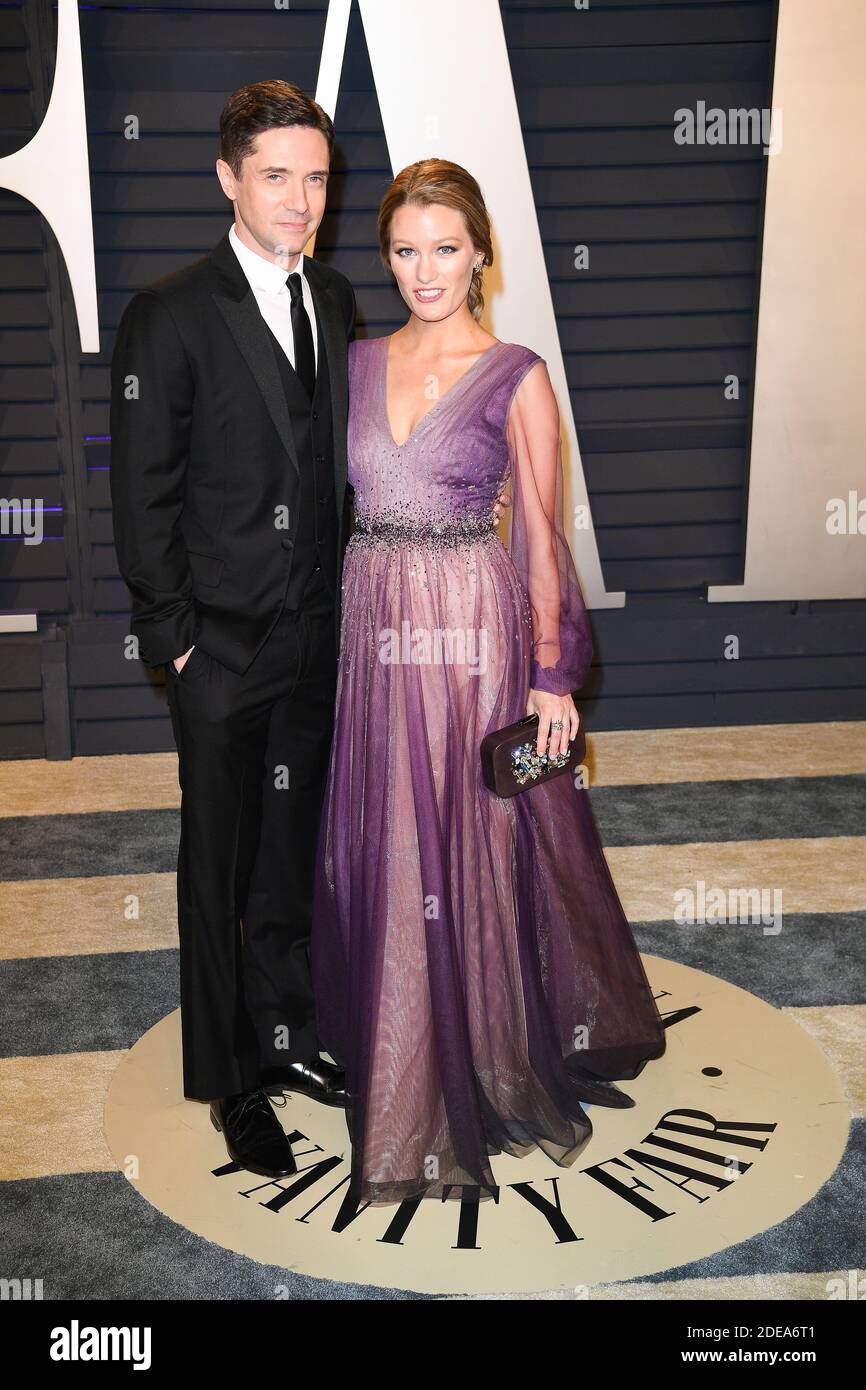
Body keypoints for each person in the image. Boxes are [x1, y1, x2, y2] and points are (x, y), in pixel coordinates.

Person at [310, 159, 667, 1206]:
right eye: (407, 248)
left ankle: (479, 1058)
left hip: (470, 635)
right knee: (387, 836)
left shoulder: (515, 372)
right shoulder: (358, 360)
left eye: (446, 247)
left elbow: (544, 541)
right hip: (373, 627)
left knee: (464, 839)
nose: (427, 268)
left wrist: (551, 675)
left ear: (480, 255)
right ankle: (396, 1043)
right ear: (387, 257)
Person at [109, 81, 355, 1179]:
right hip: (217, 648)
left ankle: (290, 1034)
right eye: (275, 177)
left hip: (313, 639)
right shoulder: (168, 312)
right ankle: (231, 1082)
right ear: (227, 179)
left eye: (314, 178)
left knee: (288, 859)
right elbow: (141, 493)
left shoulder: (338, 297)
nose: (299, 200)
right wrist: (174, 641)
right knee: (218, 867)